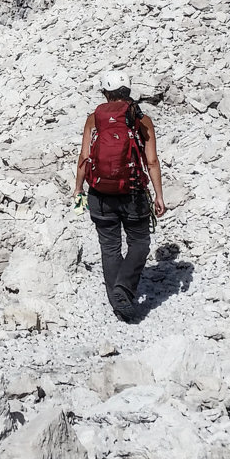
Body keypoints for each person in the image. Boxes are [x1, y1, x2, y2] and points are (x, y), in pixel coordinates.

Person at [73, 70, 165, 323]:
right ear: (128, 91)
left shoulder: (94, 118)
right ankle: (124, 290)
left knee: (109, 246)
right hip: (133, 193)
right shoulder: (142, 119)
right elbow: (152, 161)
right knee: (140, 243)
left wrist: (78, 188)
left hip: (100, 193)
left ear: (105, 93)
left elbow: (84, 157)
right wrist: (158, 195)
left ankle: (118, 304)